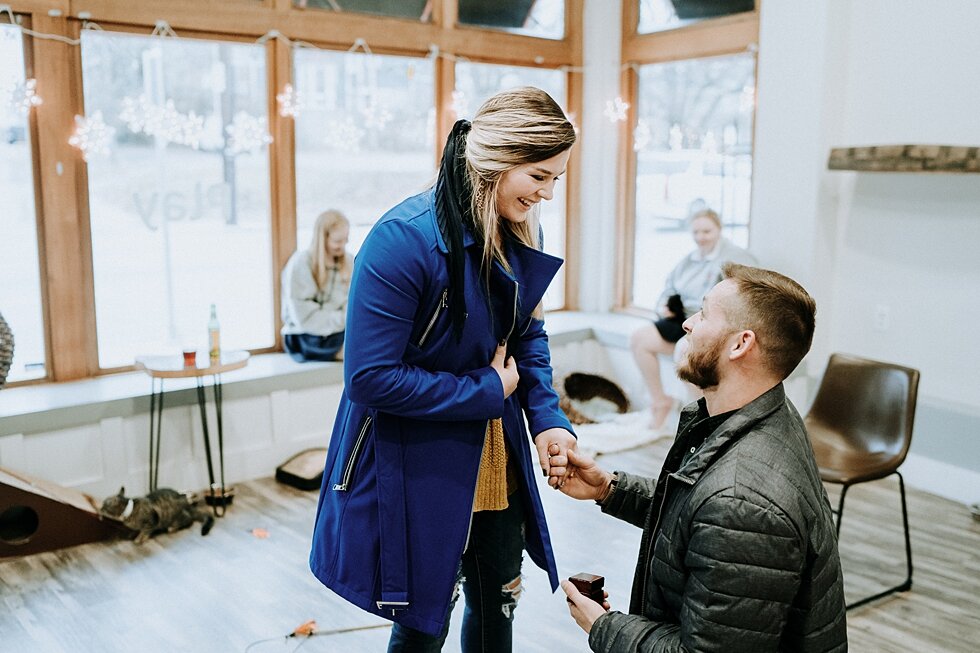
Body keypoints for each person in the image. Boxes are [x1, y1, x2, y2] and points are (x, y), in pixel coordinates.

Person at [309, 87, 578, 652]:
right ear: (497, 162)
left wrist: (549, 419)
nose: (549, 194)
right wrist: (486, 389)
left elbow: (525, 332)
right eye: (539, 176)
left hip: (496, 456)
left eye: (556, 178)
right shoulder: (400, 241)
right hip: (419, 460)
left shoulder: (520, 229)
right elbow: (368, 378)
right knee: (422, 620)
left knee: (498, 602)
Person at [559, 263, 847, 652]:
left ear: (740, 344)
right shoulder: (762, 412)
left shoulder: (742, 502)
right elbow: (695, 513)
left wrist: (605, 627)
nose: (688, 324)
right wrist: (611, 489)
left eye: (705, 313)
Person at [630, 208, 757, 429]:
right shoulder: (687, 261)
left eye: (706, 231)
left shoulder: (736, 258)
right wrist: (666, 307)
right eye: (696, 232)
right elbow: (668, 289)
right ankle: (660, 402)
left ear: (719, 229)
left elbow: (747, 296)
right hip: (683, 317)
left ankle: (703, 417)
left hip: (713, 321)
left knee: (684, 350)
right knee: (640, 338)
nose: (701, 237)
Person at [280, 209, 351, 362]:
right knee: (356, 352)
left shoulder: (348, 261)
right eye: (338, 241)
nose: (343, 246)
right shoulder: (301, 263)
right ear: (322, 238)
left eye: (346, 240)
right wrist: (343, 320)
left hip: (339, 329)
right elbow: (303, 317)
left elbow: (352, 303)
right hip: (305, 334)